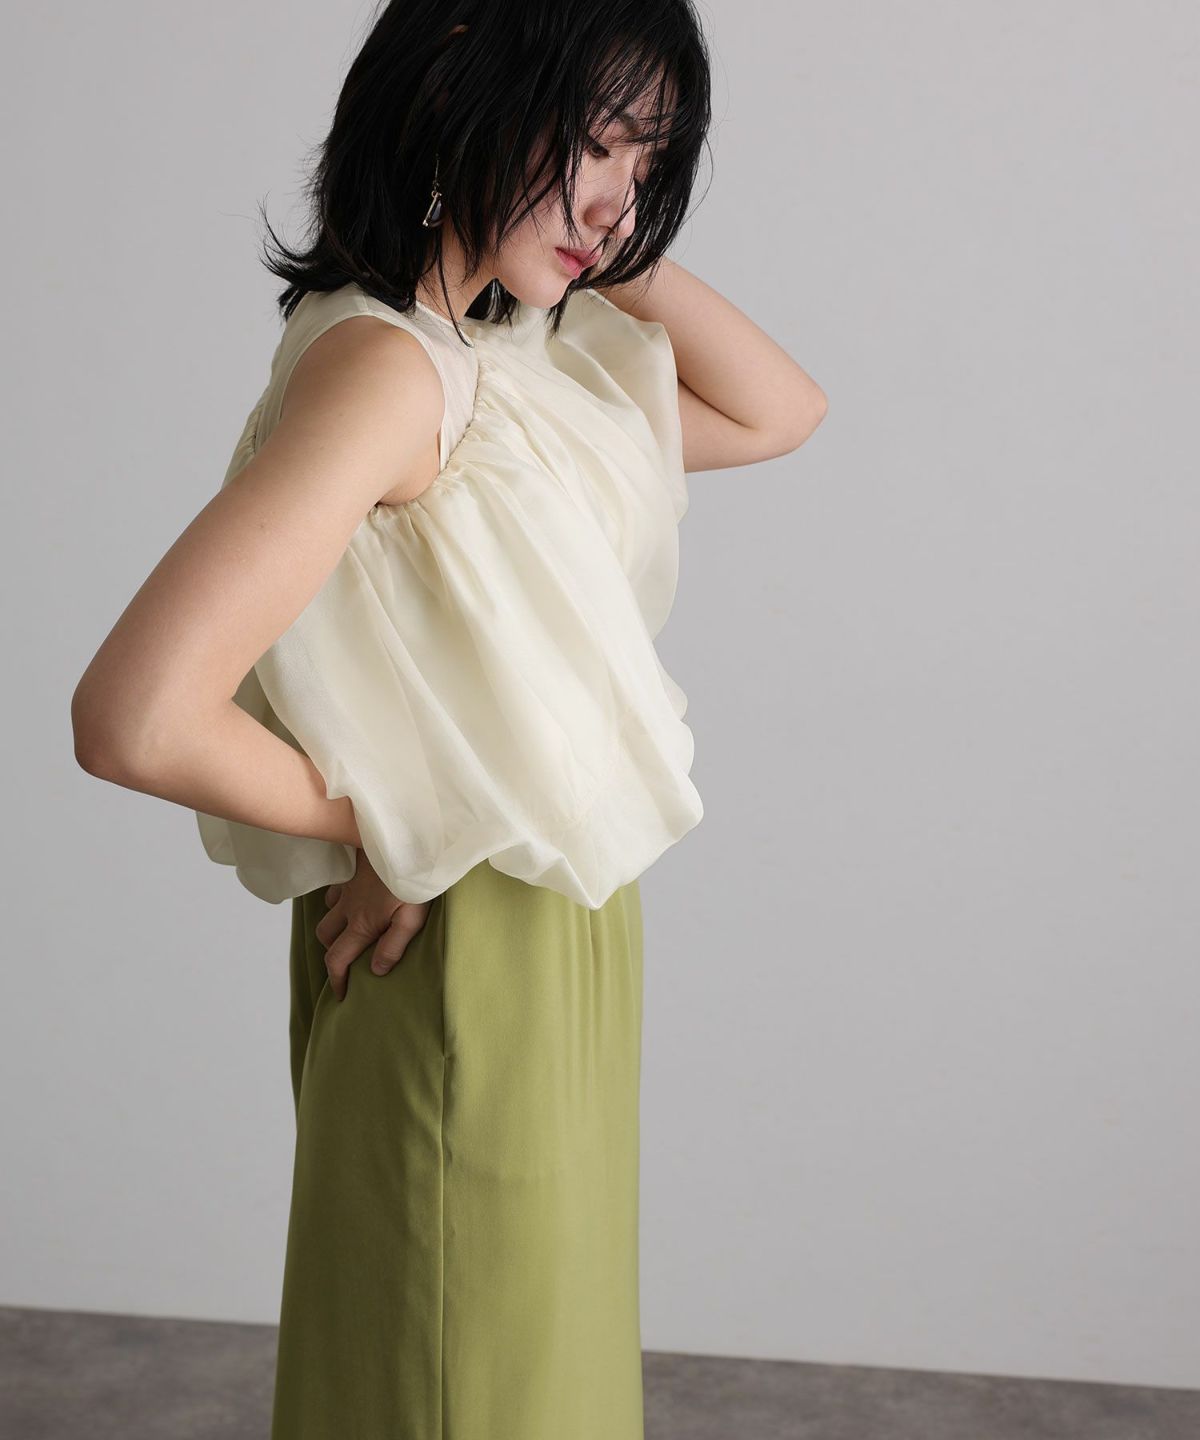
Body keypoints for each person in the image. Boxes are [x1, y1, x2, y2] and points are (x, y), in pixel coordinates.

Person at [70, 1, 828, 1434]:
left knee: (528, 1370)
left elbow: (781, 410)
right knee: (460, 1379)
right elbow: (135, 715)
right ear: (458, 93)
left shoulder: (507, 357)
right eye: (596, 143)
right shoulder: (387, 370)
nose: (618, 201)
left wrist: (606, 236)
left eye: (650, 159)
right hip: (462, 938)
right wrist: (394, 819)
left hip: (552, 929)